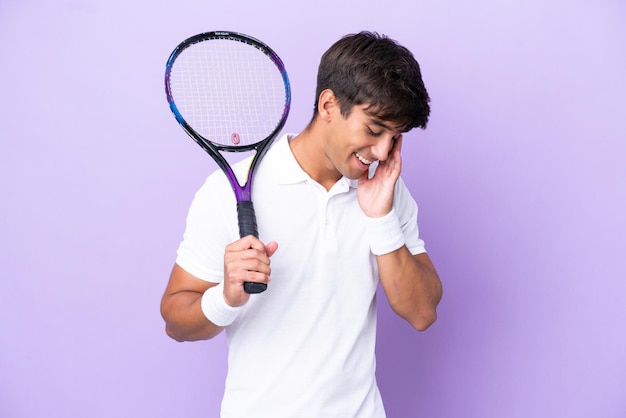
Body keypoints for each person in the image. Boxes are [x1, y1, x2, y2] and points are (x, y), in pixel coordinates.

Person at [160, 31, 443, 417]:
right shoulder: (226, 192)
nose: (381, 152)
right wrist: (225, 297)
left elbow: (422, 312)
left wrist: (381, 219)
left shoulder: (388, 191)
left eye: (394, 138)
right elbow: (175, 320)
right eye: (374, 130)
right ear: (329, 104)